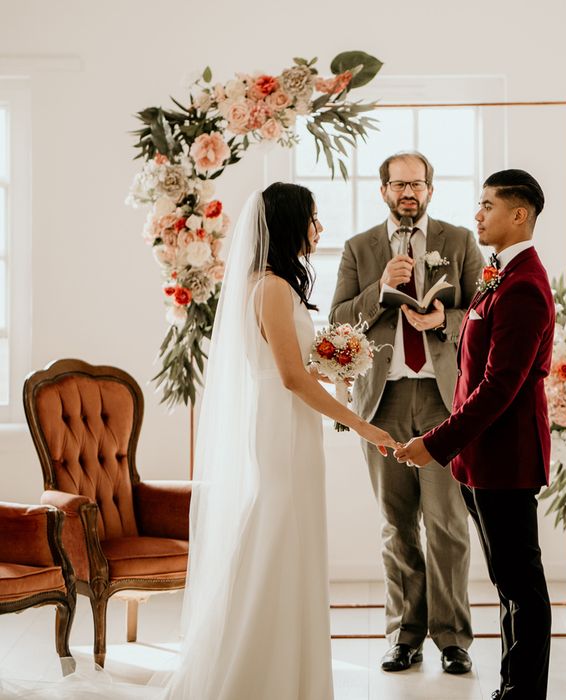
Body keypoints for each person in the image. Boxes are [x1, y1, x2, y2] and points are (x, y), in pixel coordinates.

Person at [0, 183, 396, 700]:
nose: (319, 229)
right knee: (277, 540)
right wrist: (361, 423)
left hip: (286, 426)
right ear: (288, 224)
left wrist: (333, 366)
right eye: (313, 218)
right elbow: (290, 377)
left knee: (283, 541)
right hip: (281, 433)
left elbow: (292, 369)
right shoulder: (273, 287)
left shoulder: (269, 284)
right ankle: (264, 674)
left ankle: (283, 671)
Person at [394, 169, 555, 700]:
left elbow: (498, 389)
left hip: (506, 460)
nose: (478, 214)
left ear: (520, 215)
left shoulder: (526, 286)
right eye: (478, 204)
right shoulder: (501, 275)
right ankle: (511, 688)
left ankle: (523, 693)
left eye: (488, 205)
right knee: (507, 584)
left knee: (520, 586)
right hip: (480, 460)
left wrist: (436, 443)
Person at [330, 151, 484, 674]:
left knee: (446, 523)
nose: (408, 192)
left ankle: (453, 638)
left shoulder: (460, 240)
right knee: (396, 525)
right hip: (383, 402)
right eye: (399, 185)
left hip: (445, 401)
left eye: (417, 184)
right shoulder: (359, 248)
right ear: (384, 192)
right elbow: (337, 323)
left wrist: (446, 318)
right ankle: (404, 635)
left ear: (431, 190)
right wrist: (381, 288)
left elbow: (482, 314)